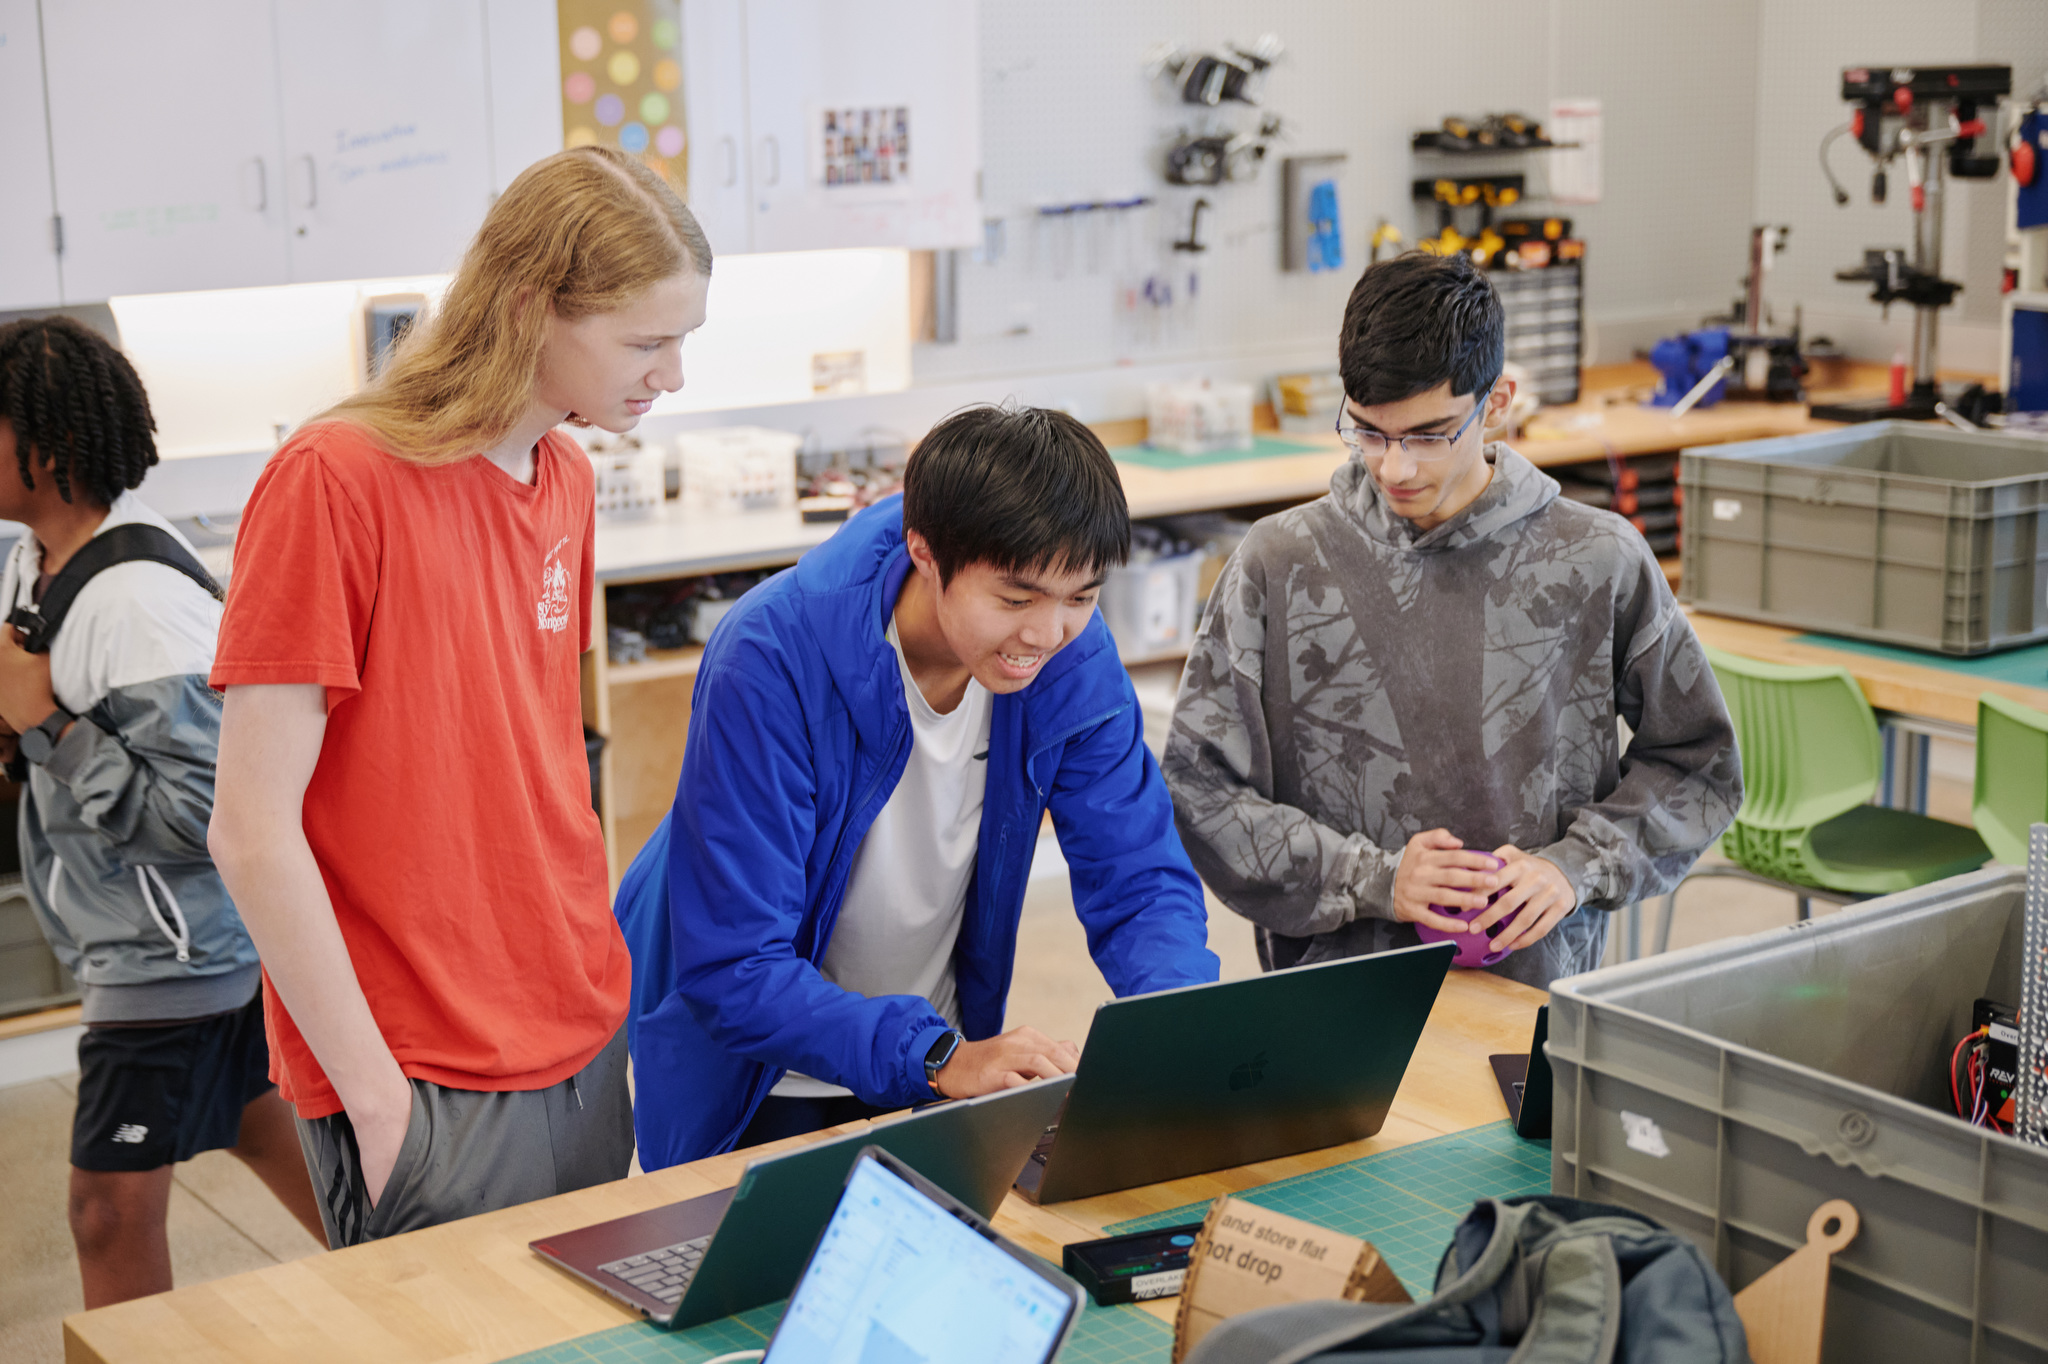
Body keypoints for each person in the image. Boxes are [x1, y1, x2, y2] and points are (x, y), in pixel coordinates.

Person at [205, 146, 712, 1246]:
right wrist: (377, 1098)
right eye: (645, 341)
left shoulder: (566, 475)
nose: (671, 375)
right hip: (421, 1062)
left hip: (575, 1023)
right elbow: (249, 829)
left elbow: (521, 757)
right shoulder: (334, 479)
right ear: (531, 307)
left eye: (683, 339)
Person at [616, 405, 1221, 1171]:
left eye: (1082, 596)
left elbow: (1138, 877)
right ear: (924, 554)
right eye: (1015, 598)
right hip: (760, 1071)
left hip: (930, 1058)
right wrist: (939, 1056)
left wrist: (1176, 1026)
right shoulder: (770, 657)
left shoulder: (1068, 650)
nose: (1048, 632)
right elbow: (738, 969)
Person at [1164, 252, 1742, 989]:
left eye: (1430, 434)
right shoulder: (1279, 562)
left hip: (1534, 995)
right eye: (1369, 432)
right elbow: (1197, 786)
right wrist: (1371, 878)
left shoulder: (1597, 559)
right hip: (1327, 1004)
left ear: (1496, 402)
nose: (1396, 468)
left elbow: (1699, 763)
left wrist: (1575, 868)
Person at [0, 315, 323, 1306]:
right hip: (164, 943)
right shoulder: (36, 562)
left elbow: (201, 814)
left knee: (106, 1207)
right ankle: (436, 1275)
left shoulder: (137, 596)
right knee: (264, 1121)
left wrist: (44, 721)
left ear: (45, 446)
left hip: (169, 956)